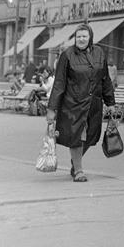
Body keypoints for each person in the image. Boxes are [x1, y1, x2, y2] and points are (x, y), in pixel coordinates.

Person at [45, 23, 115, 183]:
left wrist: (110, 101)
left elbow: (105, 79)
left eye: (84, 36)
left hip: (94, 103)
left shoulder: (99, 53)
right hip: (74, 103)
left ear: (90, 38)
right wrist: (52, 108)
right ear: (74, 38)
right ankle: (78, 170)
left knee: (91, 136)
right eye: (78, 37)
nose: (81, 39)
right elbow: (59, 83)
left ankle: (75, 161)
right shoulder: (67, 55)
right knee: (77, 135)